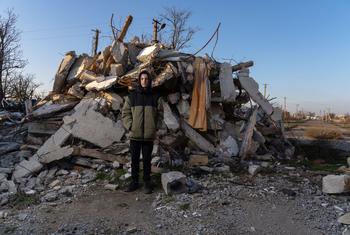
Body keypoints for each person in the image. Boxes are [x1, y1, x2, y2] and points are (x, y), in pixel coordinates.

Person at [122, 70, 162, 194]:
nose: (144, 81)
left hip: (149, 136)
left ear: (149, 80)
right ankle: (134, 182)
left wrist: (155, 127)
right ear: (139, 81)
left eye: (146, 79)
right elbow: (125, 113)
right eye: (142, 79)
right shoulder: (132, 96)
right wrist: (130, 126)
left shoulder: (156, 97)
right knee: (134, 160)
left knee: (146, 160)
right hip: (135, 135)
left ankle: (146, 183)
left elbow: (160, 115)